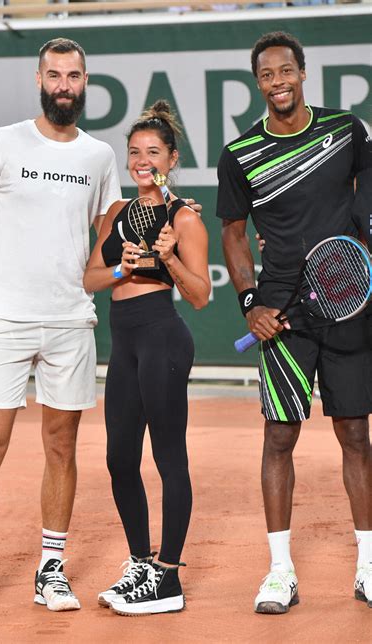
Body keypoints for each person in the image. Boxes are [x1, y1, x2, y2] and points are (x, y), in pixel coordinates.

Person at [0, 37, 122, 623]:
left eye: (75, 76)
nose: (65, 84)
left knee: (62, 446)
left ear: (86, 82)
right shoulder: (2, 144)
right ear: (40, 79)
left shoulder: (99, 157)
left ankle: (50, 569)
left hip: (70, 322)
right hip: (6, 320)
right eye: (55, 75)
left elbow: (109, 228)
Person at [217, 31, 371, 614]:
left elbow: (368, 193)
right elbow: (234, 230)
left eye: (287, 71)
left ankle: (368, 565)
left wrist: (364, 244)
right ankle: (280, 571)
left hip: (346, 297)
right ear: (257, 83)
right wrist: (250, 301)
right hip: (281, 308)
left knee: (355, 433)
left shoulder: (345, 132)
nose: (278, 82)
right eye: (267, 75)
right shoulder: (241, 155)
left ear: (304, 73)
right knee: (279, 436)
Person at [83, 100, 211, 616]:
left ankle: (169, 577)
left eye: (152, 153)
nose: (141, 161)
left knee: (168, 458)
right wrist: (122, 268)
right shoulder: (116, 214)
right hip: (124, 343)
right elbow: (91, 278)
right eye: (134, 152)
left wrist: (169, 257)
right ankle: (140, 562)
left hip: (163, 337)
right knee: (119, 458)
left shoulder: (184, 217)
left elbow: (201, 295)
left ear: (171, 158)